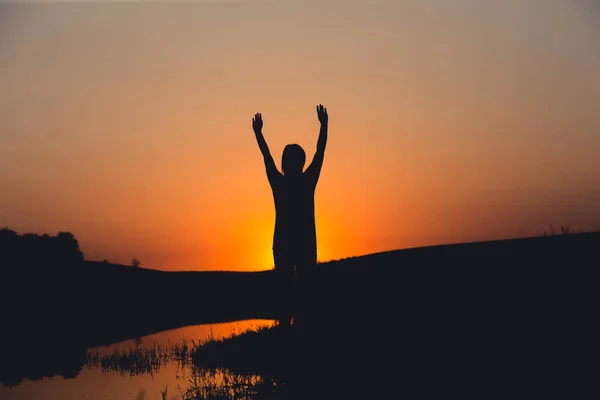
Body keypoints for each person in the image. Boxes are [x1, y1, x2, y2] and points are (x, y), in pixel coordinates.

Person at [252, 105, 328, 321]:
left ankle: (293, 332)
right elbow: (320, 152)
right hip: (297, 243)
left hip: (290, 244)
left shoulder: (284, 182)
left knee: (292, 293)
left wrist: (259, 134)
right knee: (298, 293)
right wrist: (324, 127)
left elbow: (267, 157)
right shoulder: (305, 181)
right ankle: (298, 331)